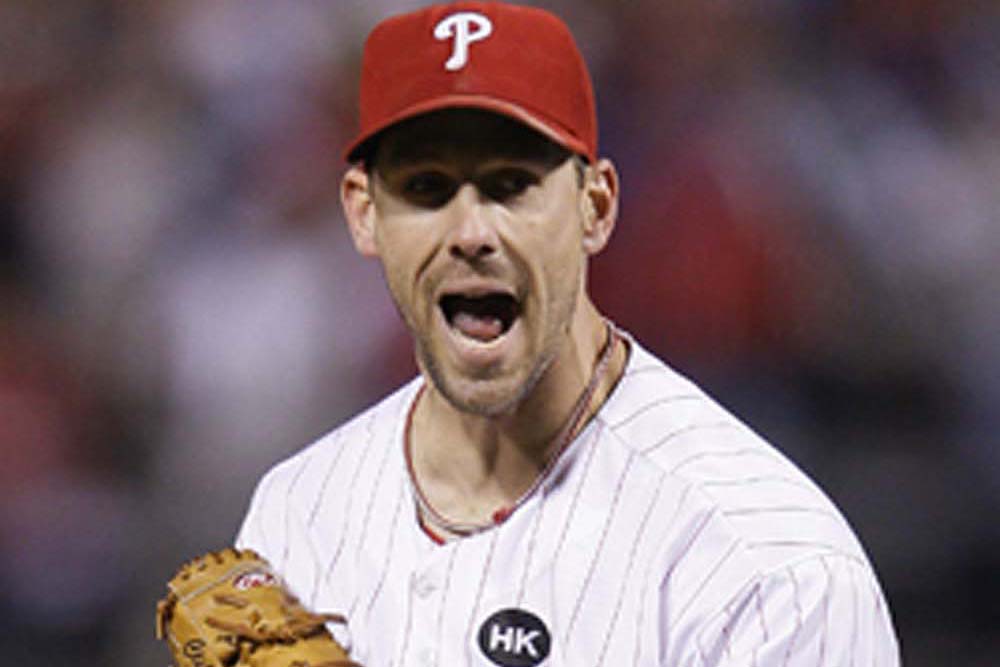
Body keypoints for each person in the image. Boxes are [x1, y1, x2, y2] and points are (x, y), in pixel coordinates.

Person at [236, 3, 900, 666]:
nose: (471, 234)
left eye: (512, 184)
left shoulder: (766, 567)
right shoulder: (295, 517)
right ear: (363, 214)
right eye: (428, 187)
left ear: (597, 207)